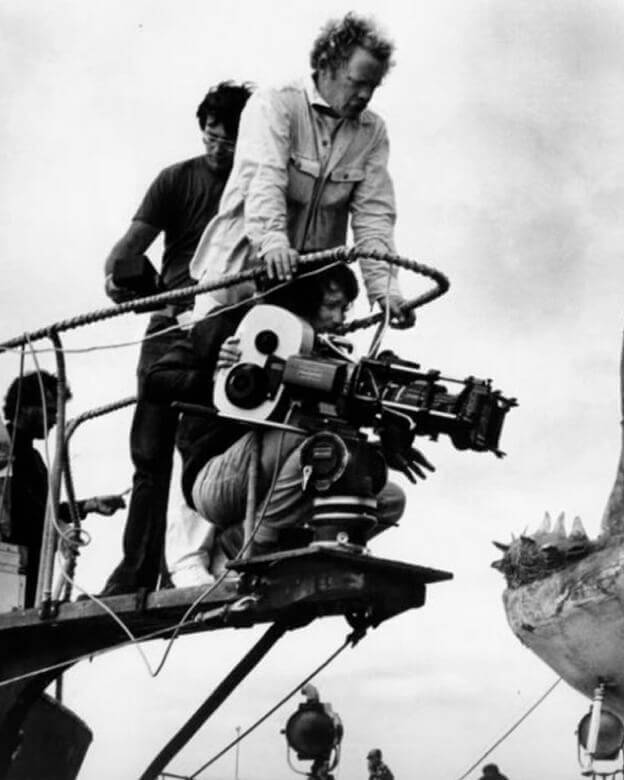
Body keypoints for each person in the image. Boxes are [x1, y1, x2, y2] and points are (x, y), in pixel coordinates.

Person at [144, 265, 429, 558]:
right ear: (304, 299)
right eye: (331, 306)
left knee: (387, 498)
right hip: (216, 478)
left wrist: (386, 439)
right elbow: (155, 380)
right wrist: (218, 375)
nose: (338, 318)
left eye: (344, 309)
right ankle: (255, 538)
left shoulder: (329, 349)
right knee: (312, 427)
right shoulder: (236, 325)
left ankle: (296, 549)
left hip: (275, 468)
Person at [100, 81, 254, 596]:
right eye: (211, 136)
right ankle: (136, 570)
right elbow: (123, 254)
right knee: (149, 454)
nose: (218, 148)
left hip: (223, 327)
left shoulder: (258, 187)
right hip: (170, 325)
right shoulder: (176, 179)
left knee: (204, 448)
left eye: (229, 140)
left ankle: (191, 562)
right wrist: (133, 286)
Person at [189, 13, 415, 331]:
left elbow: (374, 216)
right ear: (326, 66)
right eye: (357, 82)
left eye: (373, 86)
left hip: (304, 292)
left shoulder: (372, 132)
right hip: (237, 278)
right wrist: (272, 241)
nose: (365, 95)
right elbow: (264, 178)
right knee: (215, 354)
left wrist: (385, 290)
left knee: (306, 360)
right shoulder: (274, 104)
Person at [2, 372, 125, 607]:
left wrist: (88, 505)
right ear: (25, 408)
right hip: (9, 572)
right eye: (50, 411)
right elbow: (19, 508)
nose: (55, 420)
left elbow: (42, 509)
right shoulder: (3, 447)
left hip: (25, 574)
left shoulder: (34, 459)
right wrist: (63, 529)